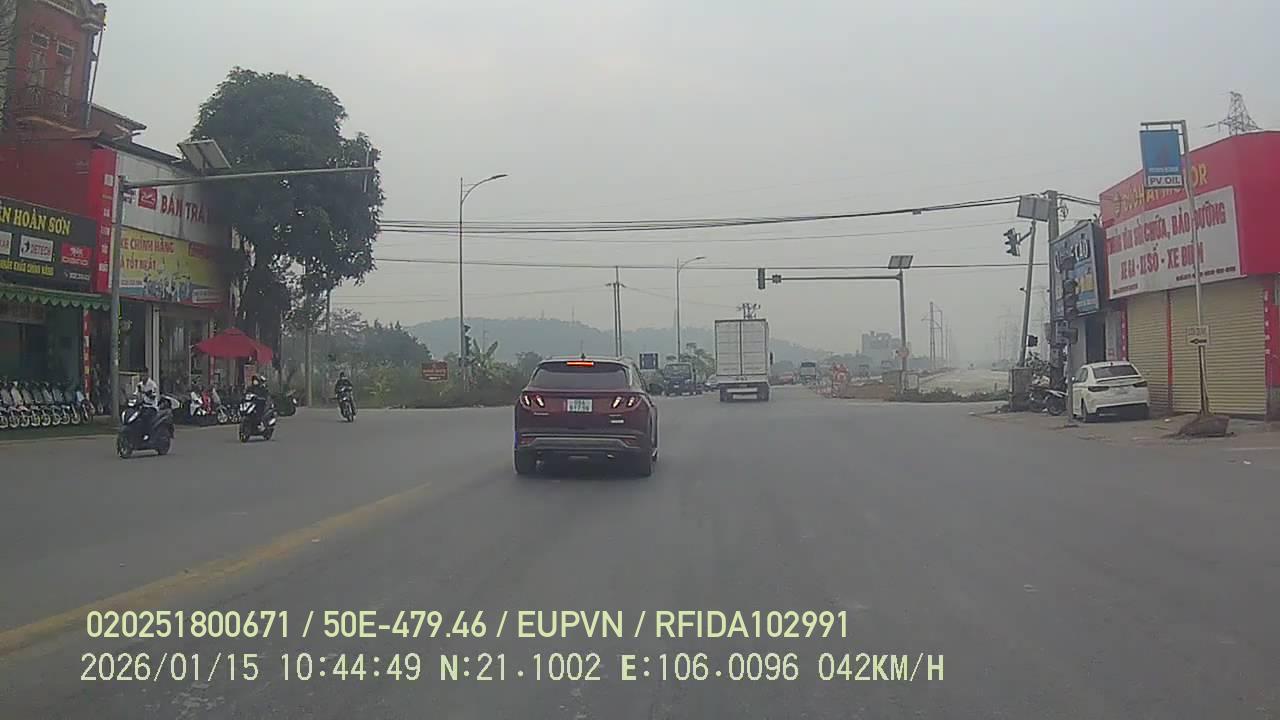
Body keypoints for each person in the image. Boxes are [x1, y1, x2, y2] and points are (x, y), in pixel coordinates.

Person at [136, 367, 159, 432]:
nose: (142, 377)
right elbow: (136, 394)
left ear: (147, 374)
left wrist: (146, 393)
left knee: (146, 416)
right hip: (142, 406)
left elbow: (153, 396)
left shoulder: (152, 384)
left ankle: (147, 433)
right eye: (141, 375)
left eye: (144, 375)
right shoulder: (139, 385)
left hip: (151, 407)